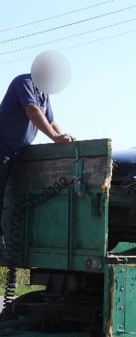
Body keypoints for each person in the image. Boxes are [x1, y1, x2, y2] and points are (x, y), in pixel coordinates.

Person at [0, 51, 75, 242]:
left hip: (15, 152)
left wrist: (62, 137)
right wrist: (55, 138)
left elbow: (51, 121)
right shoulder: (24, 82)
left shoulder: (44, 95)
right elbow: (32, 111)